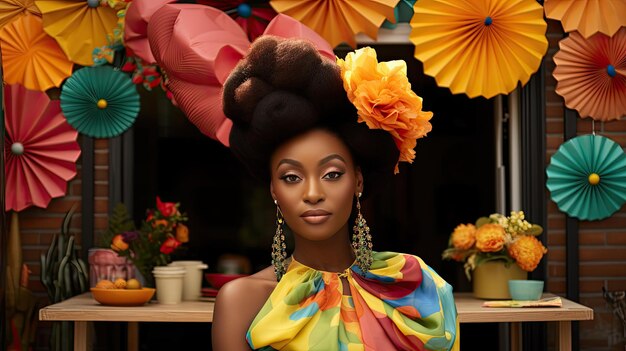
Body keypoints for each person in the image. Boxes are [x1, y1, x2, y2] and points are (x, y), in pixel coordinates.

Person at [212, 35, 459, 351]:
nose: (313, 193)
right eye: (291, 177)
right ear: (274, 189)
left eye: (332, 174)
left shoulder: (416, 282)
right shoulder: (243, 301)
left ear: (357, 181)